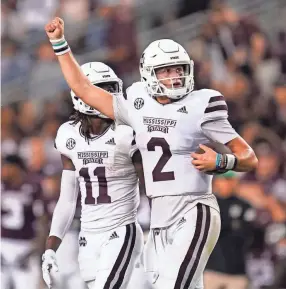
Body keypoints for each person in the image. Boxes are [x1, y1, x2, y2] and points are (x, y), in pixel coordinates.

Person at [45, 17, 258, 289]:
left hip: (194, 208)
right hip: (159, 216)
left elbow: (249, 157)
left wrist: (222, 161)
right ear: (149, 73)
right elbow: (84, 89)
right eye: (166, 71)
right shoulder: (136, 102)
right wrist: (60, 44)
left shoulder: (202, 103)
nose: (175, 76)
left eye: (179, 69)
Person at [41, 62, 145, 289]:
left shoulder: (127, 132)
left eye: (109, 89)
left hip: (121, 229)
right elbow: (67, 200)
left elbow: (151, 187)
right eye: (100, 89)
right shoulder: (68, 135)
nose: (107, 96)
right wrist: (50, 247)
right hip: (87, 234)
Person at [1, 155, 44, 289]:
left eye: (6, 166)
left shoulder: (33, 187)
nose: (3, 170)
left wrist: (37, 248)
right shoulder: (2, 186)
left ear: (16, 168)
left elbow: (42, 221)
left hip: (26, 247)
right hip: (3, 246)